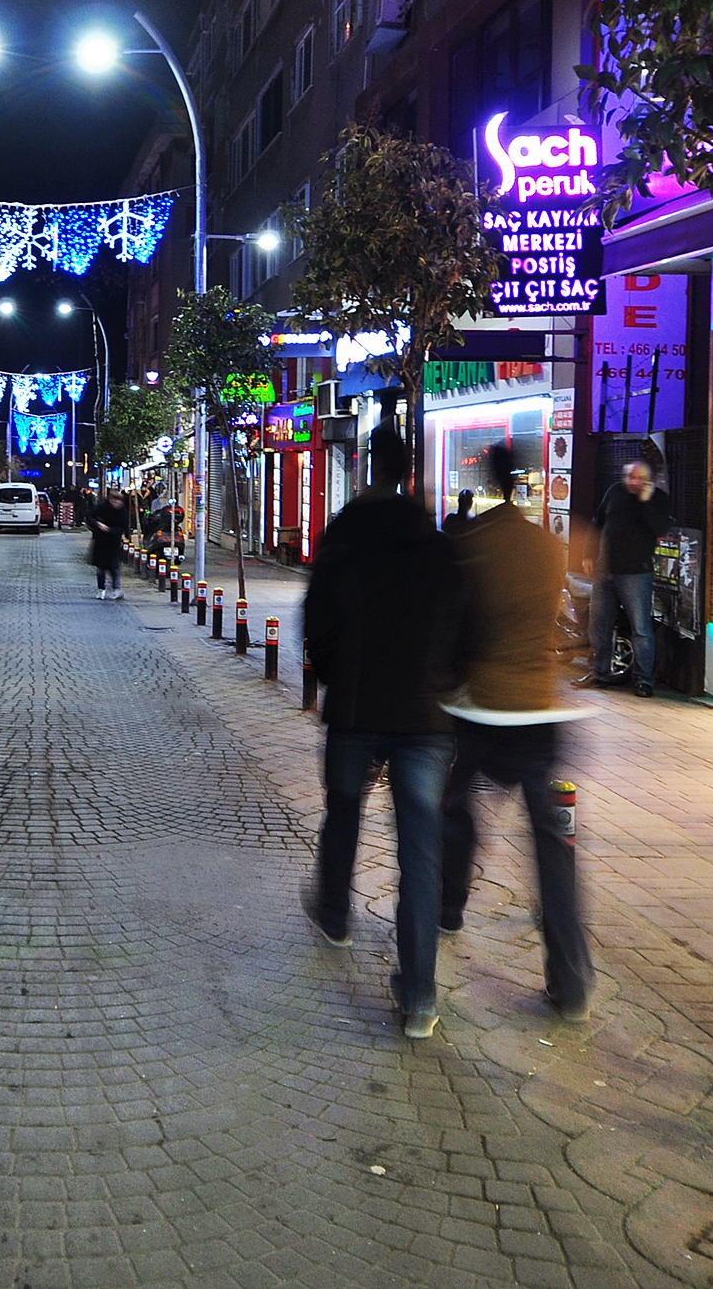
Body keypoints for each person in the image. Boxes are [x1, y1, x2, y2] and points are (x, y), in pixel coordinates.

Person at [302, 424, 465, 1040]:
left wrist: (333, 675)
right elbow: (464, 620)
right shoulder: (435, 539)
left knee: (343, 810)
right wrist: (446, 683)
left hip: (356, 709)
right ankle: (419, 997)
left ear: (370, 464)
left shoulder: (345, 532)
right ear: (411, 469)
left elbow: (316, 617)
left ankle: (336, 914)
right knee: (420, 849)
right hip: (424, 719)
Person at [443, 439, 596, 1020]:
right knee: (554, 850)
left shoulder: (474, 547)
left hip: (483, 710)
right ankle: (571, 979)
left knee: (455, 808)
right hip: (541, 713)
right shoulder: (548, 547)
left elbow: (462, 629)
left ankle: (449, 905)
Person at [583, 457, 671, 695]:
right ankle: (598, 672)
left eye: (638, 478)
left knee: (641, 628)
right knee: (599, 624)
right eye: (630, 477)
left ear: (648, 481)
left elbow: (660, 528)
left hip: (636, 573)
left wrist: (645, 501)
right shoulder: (614, 492)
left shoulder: (657, 499)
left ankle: (644, 680)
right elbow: (598, 521)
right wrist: (589, 555)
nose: (633, 482)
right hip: (606, 570)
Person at [88, 486, 132, 598]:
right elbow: (90, 517)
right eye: (114, 501)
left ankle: (115, 589)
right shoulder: (102, 508)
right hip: (100, 542)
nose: (116, 504)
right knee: (100, 568)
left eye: (118, 501)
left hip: (114, 542)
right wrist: (98, 525)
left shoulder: (123, 512)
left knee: (114, 568)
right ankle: (101, 589)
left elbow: (123, 527)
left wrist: (111, 530)